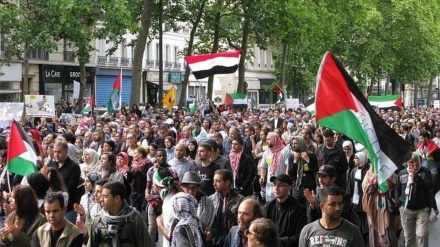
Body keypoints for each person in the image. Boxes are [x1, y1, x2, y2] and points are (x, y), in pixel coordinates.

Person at [87, 181, 152, 247]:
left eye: (105, 196)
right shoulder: (98, 219)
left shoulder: (134, 218)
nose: (101, 199)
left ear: (117, 199)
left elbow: (145, 244)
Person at [299, 186, 364, 247]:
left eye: (340, 204)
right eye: (332, 204)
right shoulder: (307, 231)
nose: (338, 208)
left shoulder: (353, 231)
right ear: (322, 206)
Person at [396, 154, 433, 247]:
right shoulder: (402, 173)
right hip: (406, 209)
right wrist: (398, 202)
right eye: (411, 162)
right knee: (409, 237)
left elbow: (428, 186)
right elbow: (398, 189)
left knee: (422, 234)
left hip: (422, 208)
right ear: (407, 163)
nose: (414, 164)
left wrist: (415, 176)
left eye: (416, 161)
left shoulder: (425, 172)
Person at [266, 174, 307, 247]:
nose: (276, 188)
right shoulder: (268, 207)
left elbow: (299, 237)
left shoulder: (298, 209)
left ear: (289, 188)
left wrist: (276, 242)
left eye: (280, 185)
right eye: (274, 185)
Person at [46, 141, 81, 223]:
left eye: (59, 152)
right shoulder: (52, 164)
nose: (56, 154)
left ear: (66, 152)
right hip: (51, 204)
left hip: (67, 207)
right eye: (55, 152)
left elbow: (71, 189)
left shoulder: (74, 166)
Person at [210, 169, 244, 247]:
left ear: (227, 183)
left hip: (233, 239)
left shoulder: (240, 200)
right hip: (216, 240)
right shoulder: (211, 199)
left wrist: (228, 213)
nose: (214, 184)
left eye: (218, 181)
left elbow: (242, 223)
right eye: (213, 181)